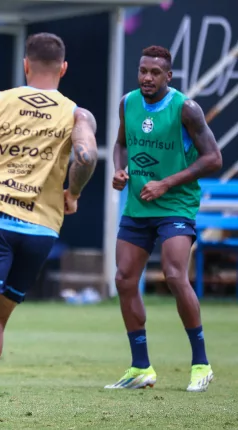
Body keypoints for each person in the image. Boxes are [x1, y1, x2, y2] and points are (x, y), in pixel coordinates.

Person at [0, 32, 99, 430]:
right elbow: (86, 154)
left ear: (26, 65)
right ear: (63, 69)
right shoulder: (78, 113)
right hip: (41, 226)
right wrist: (73, 192)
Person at [105, 45, 221, 393]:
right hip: (139, 206)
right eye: (143, 71)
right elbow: (121, 144)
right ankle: (140, 367)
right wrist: (118, 169)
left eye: (155, 73)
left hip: (176, 205)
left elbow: (213, 158)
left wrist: (167, 183)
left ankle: (201, 363)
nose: (147, 78)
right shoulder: (128, 103)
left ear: (168, 76)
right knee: (125, 279)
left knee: (173, 274)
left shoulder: (186, 108)